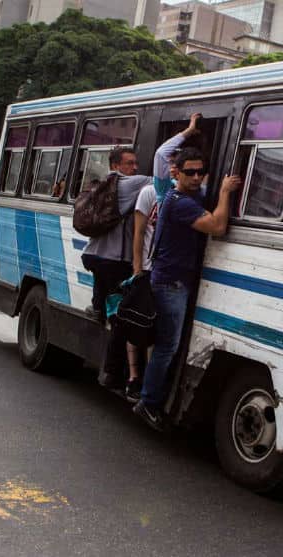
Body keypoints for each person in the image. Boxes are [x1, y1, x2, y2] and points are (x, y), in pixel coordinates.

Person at [133, 148, 242, 429]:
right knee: (167, 346)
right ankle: (149, 403)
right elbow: (217, 226)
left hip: (176, 280)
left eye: (200, 172)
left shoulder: (191, 197)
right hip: (170, 283)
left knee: (167, 344)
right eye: (189, 172)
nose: (196, 177)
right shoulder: (179, 201)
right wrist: (226, 192)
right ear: (176, 173)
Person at [125, 114, 202, 402]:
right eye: (178, 166)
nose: (193, 177)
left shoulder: (195, 193)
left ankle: (146, 388)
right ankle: (142, 389)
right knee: (151, 334)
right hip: (155, 271)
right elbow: (160, 154)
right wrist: (188, 131)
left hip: (163, 271)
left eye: (198, 172)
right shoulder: (163, 192)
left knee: (158, 337)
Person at [81, 147, 151, 389]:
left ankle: (98, 307)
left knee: (107, 307)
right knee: (120, 319)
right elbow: (162, 180)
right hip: (113, 262)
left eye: (135, 163)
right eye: (130, 163)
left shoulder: (104, 185)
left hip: (94, 256)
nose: (135, 168)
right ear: (116, 166)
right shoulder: (129, 184)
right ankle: (111, 373)